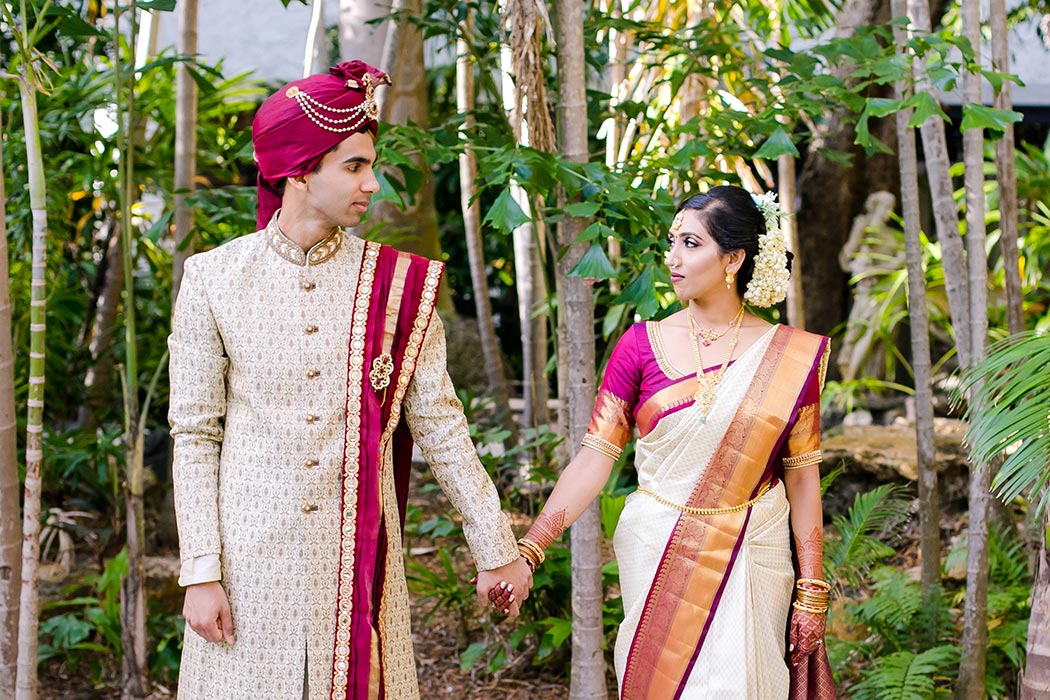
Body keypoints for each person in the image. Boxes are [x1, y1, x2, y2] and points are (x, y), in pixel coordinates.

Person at [168, 60, 532, 700]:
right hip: (252, 567)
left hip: (358, 562)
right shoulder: (214, 279)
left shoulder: (400, 288)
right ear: (298, 172)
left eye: (370, 165)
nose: (372, 184)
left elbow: (442, 428)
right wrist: (201, 571)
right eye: (354, 166)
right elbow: (195, 434)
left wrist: (496, 546)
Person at [501, 186, 835, 698]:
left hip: (752, 555)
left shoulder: (790, 356)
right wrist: (531, 548)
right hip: (658, 552)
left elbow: (803, 476)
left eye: (690, 243)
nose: (672, 258)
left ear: (734, 258)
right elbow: (595, 460)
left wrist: (811, 589)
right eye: (672, 241)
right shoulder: (640, 345)